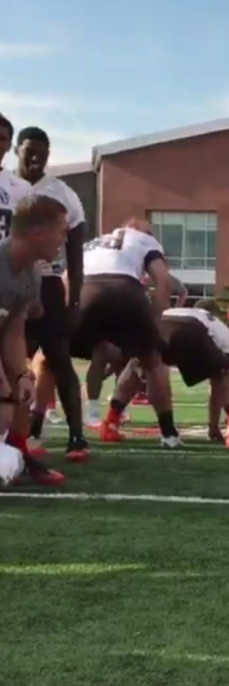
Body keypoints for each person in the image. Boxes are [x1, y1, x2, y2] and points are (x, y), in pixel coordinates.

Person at [11, 127, 89, 461]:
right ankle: (14, 437)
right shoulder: (6, 187)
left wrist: (75, 297)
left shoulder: (63, 193)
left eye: (43, 151)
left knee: (59, 358)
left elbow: (75, 249)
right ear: (18, 149)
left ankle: (77, 436)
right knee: (10, 362)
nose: (36, 157)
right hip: (10, 282)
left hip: (48, 282)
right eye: (30, 150)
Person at [76, 217, 183, 448]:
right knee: (152, 362)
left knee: (49, 357)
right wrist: (156, 320)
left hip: (84, 290)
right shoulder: (143, 240)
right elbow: (163, 281)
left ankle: (34, 426)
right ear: (137, 230)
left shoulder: (93, 243)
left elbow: (68, 278)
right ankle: (169, 434)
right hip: (123, 291)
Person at [100, 300, 229, 448]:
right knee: (226, 374)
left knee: (137, 365)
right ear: (215, 314)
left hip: (157, 324)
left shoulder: (178, 311)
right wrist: (213, 426)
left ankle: (110, 423)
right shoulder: (219, 326)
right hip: (193, 329)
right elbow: (219, 386)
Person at [0, 196, 68, 487]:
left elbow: (14, 329)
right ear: (38, 233)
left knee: (19, 387)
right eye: (61, 232)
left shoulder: (31, 274)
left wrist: (21, 374)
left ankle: (16, 453)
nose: (63, 241)